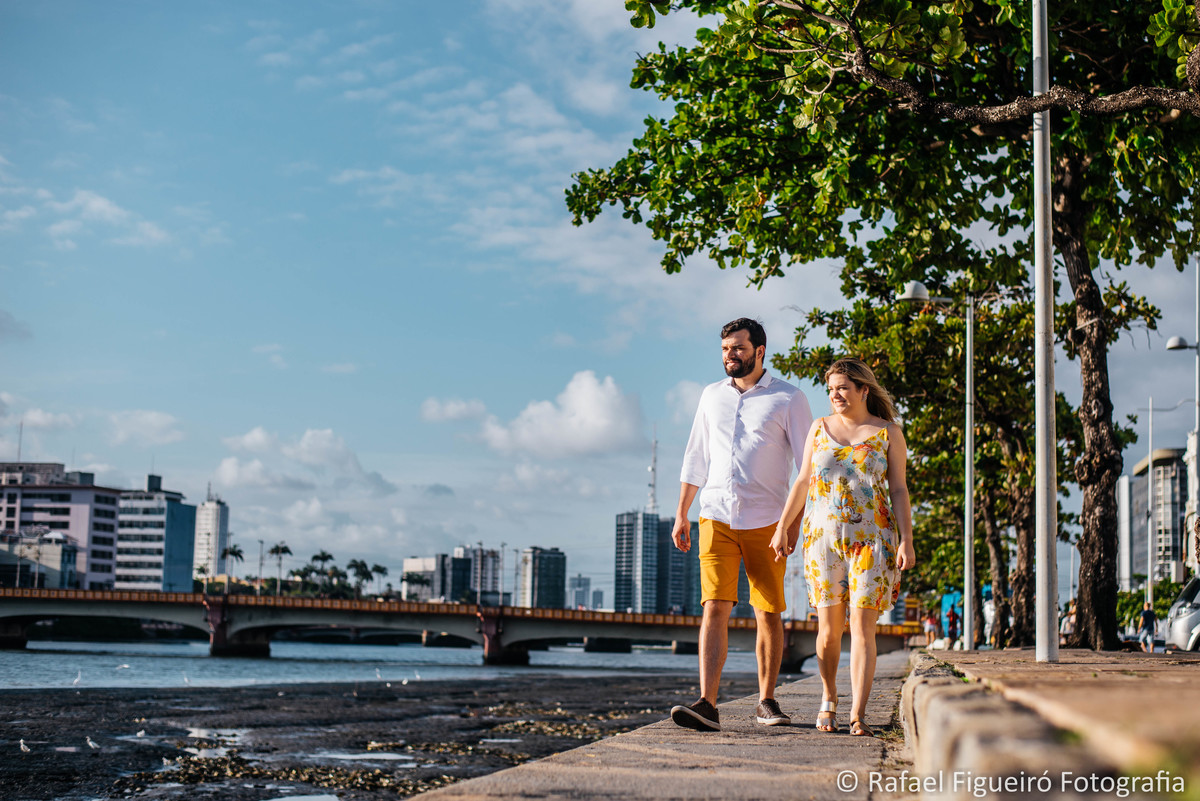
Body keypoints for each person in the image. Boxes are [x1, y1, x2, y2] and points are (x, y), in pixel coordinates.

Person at [669, 318, 814, 731]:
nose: (729, 355)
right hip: (714, 515)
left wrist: (793, 524)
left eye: (737, 348)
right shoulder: (710, 396)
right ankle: (708, 704)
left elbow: (807, 469)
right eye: (724, 349)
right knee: (714, 606)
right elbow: (695, 455)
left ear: (759, 350)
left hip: (768, 521)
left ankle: (767, 701)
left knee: (766, 609)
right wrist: (683, 511)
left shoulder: (789, 398)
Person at [770, 357, 915, 737]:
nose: (835, 395)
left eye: (843, 388)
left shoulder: (887, 432)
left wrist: (907, 540)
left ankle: (858, 714)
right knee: (829, 632)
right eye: (831, 389)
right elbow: (802, 481)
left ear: (863, 390)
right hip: (822, 542)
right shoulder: (818, 429)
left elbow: (899, 489)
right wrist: (783, 526)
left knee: (863, 629)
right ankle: (829, 697)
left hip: (874, 540)